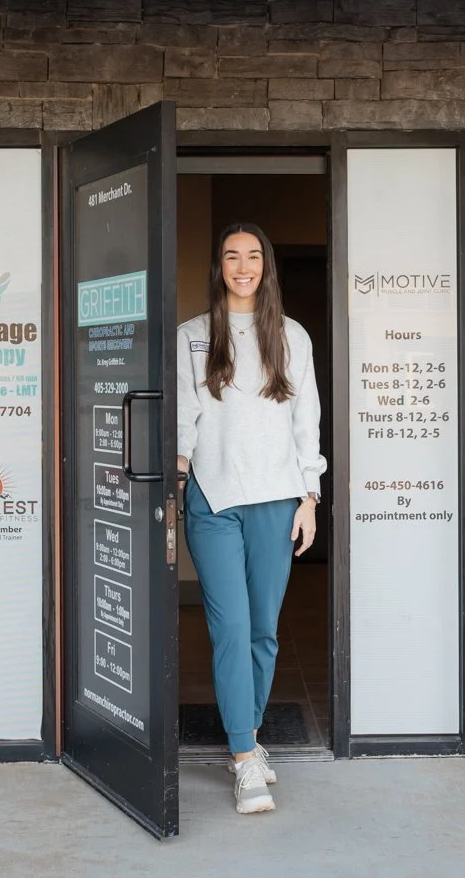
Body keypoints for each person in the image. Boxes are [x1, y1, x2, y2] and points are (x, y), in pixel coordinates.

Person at [176, 222, 325, 815]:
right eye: (232, 256)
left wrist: (309, 498)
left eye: (253, 256)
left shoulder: (291, 336)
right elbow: (183, 415)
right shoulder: (193, 335)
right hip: (213, 499)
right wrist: (176, 480)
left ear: (266, 265)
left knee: (263, 628)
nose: (243, 266)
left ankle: (251, 737)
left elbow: (305, 421)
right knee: (232, 629)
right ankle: (243, 758)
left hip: (278, 498)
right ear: (219, 265)